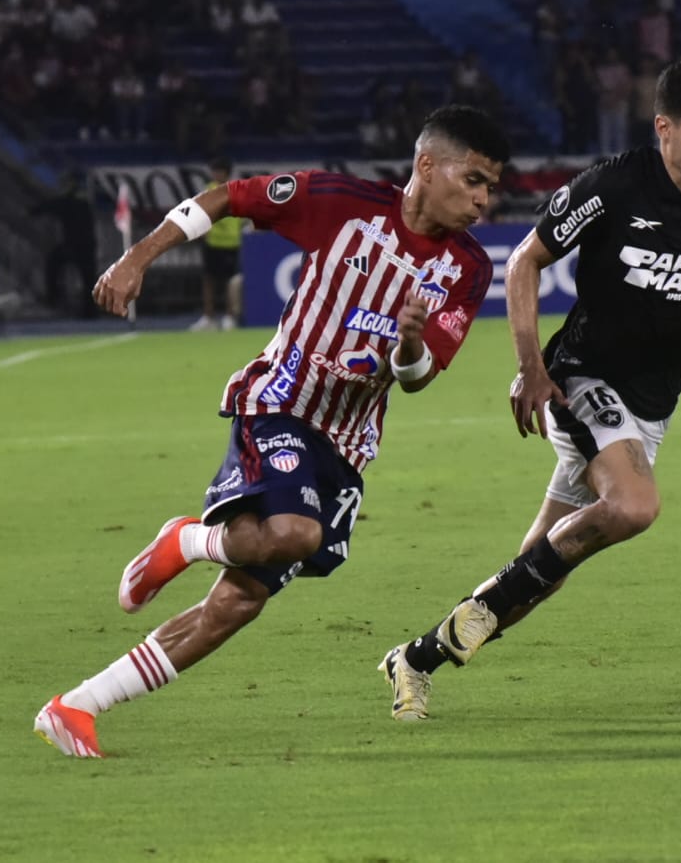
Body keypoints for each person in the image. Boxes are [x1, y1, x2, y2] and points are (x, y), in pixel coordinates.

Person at [33, 105, 512, 757]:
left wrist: (406, 346)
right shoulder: (339, 201)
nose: (484, 201)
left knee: (236, 604)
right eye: (475, 180)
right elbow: (227, 198)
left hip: (346, 446)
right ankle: (187, 539)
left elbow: (419, 376)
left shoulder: (468, 267)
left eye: (491, 188)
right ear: (427, 166)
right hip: (281, 401)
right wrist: (134, 259)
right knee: (293, 531)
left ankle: (76, 706)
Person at [377, 58, 681, 721]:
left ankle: (416, 657)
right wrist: (528, 367)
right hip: (580, 377)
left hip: (650, 405)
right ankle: (456, 629)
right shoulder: (614, 183)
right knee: (632, 505)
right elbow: (524, 261)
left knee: (537, 572)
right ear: (664, 127)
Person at [30, 171, 99, 318]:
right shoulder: (84, 201)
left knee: (53, 263)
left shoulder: (67, 202)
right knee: (88, 278)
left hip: (73, 246)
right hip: (87, 245)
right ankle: (90, 310)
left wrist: (32, 210)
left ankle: (53, 297)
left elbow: (46, 207)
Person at [189, 158, 243, 331]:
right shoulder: (210, 189)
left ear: (225, 172)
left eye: (217, 170)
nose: (214, 174)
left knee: (230, 281)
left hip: (231, 242)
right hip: (212, 241)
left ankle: (229, 316)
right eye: (213, 171)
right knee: (208, 280)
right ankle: (208, 317)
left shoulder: (237, 189)